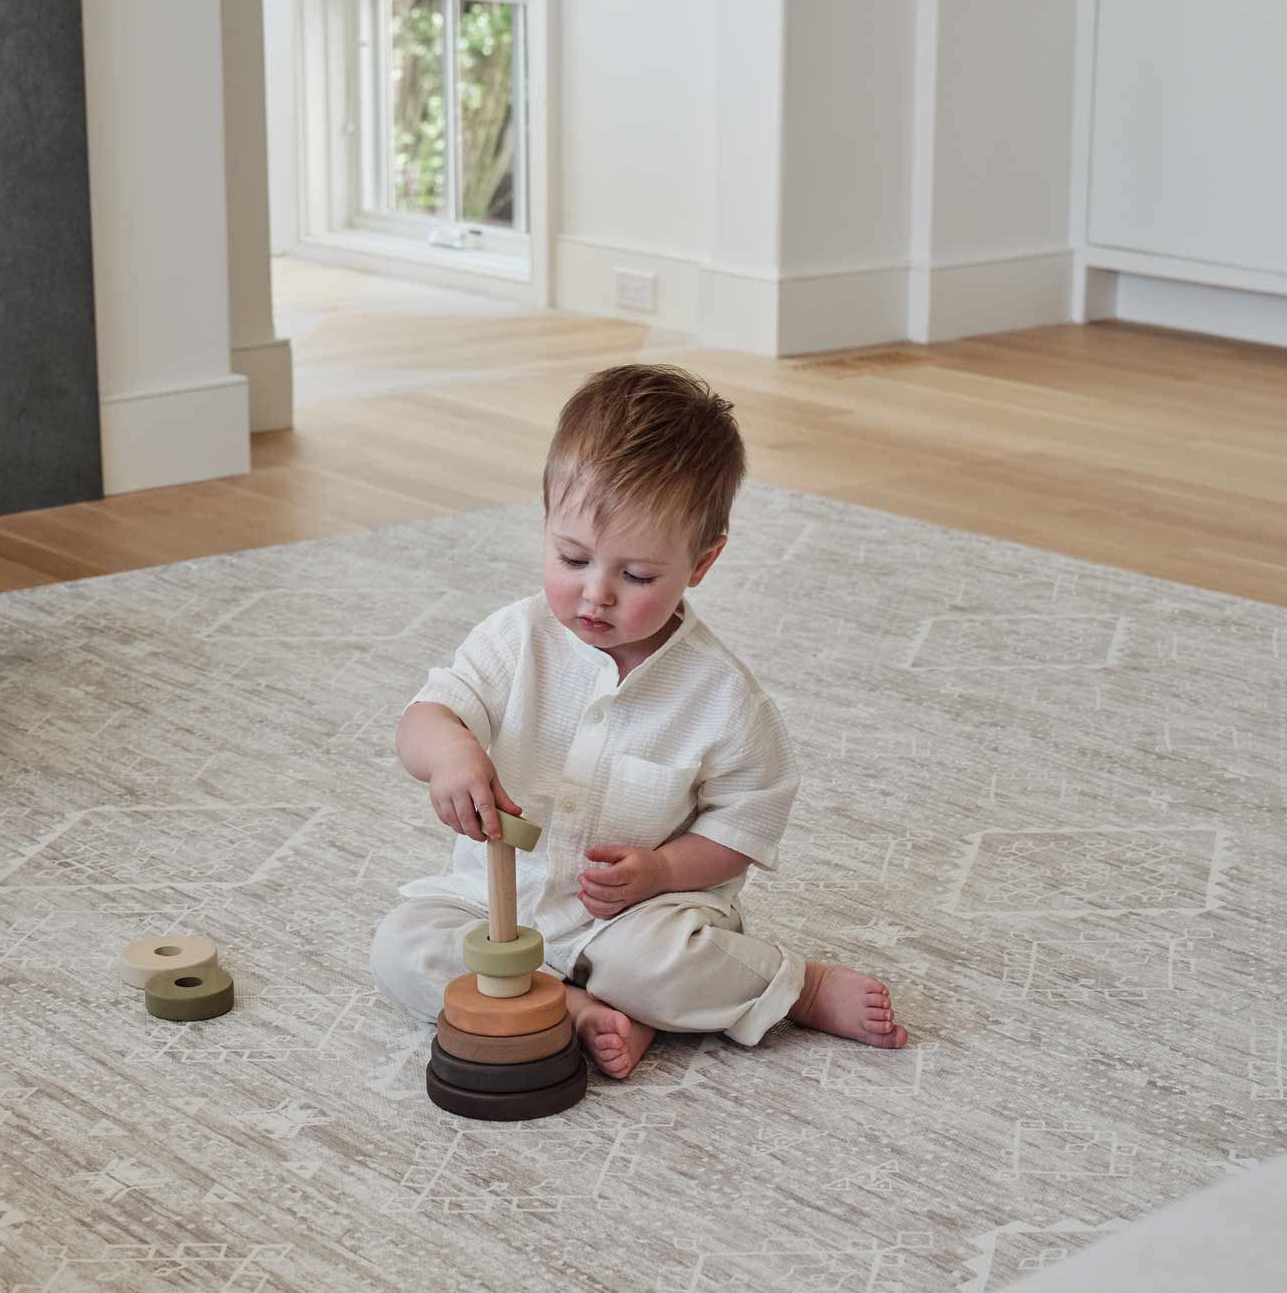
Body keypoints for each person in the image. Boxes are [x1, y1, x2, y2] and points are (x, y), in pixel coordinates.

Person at [371, 364, 907, 1079]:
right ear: (545, 525)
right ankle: (573, 1007)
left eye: (637, 576)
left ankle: (792, 986)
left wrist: (663, 869)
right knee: (404, 947)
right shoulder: (512, 640)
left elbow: (741, 827)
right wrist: (450, 756)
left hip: (638, 920)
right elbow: (426, 716)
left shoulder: (722, 697)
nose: (595, 593)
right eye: (572, 557)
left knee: (658, 965)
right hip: (497, 905)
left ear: (701, 563)